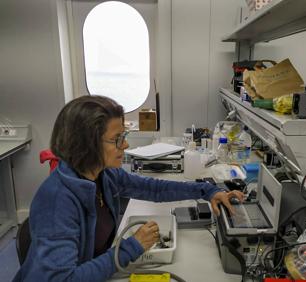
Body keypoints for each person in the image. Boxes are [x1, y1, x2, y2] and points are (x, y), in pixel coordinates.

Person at [13, 95, 244, 282]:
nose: (125, 144)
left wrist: (207, 190)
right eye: (117, 138)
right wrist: (131, 248)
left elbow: (154, 189)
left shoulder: (103, 174)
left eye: (124, 136)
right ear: (87, 143)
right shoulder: (57, 200)